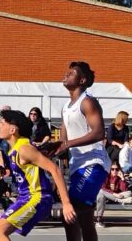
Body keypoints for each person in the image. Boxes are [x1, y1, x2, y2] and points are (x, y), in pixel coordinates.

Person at [0, 110, 75, 241]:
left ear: (13, 130)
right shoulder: (14, 149)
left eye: (2, 123)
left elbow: (55, 169)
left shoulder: (24, 149)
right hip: (25, 197)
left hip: (38, 197)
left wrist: (66, 203)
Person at [54, 61, 111, 241]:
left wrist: (68, 144)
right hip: (77, 165)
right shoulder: (65, 107)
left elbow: (99, 132)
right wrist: (50, 150)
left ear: (82, 80)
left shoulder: (87, 102)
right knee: (85, 218)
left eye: (72, 73)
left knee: (70, 213)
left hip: (94, 163)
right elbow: (63, 142)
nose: (66, 74)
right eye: (67, 71)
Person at [95, 161, 132, 227]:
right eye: (112, 169)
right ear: (110, 169)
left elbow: (124, 190)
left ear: (119, 169)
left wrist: (122, 179)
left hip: (118, 196)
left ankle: (120, 200)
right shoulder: (106, 175)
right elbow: (103, 188)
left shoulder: (119, 176)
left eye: (117, 169)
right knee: (101, 192)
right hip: (107, 197)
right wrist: (114, 194)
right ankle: (99, 220)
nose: (114, 171)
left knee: (129, 193)